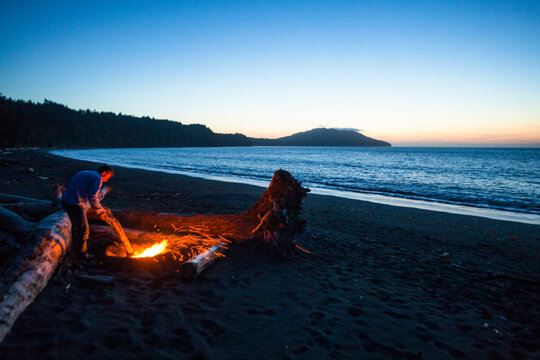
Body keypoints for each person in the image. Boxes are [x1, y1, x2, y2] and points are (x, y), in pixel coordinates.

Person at [62, 165, 113, 260]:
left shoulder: (85, 172)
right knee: (83, 229)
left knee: (76, 227)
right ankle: (82, 255)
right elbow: (93, 197)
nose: (106, 181)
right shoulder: (97, 178)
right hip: (75, 204)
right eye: (107, 178)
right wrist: (101, 211)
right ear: (104, 173)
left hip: (66, 201)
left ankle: (75, 249)